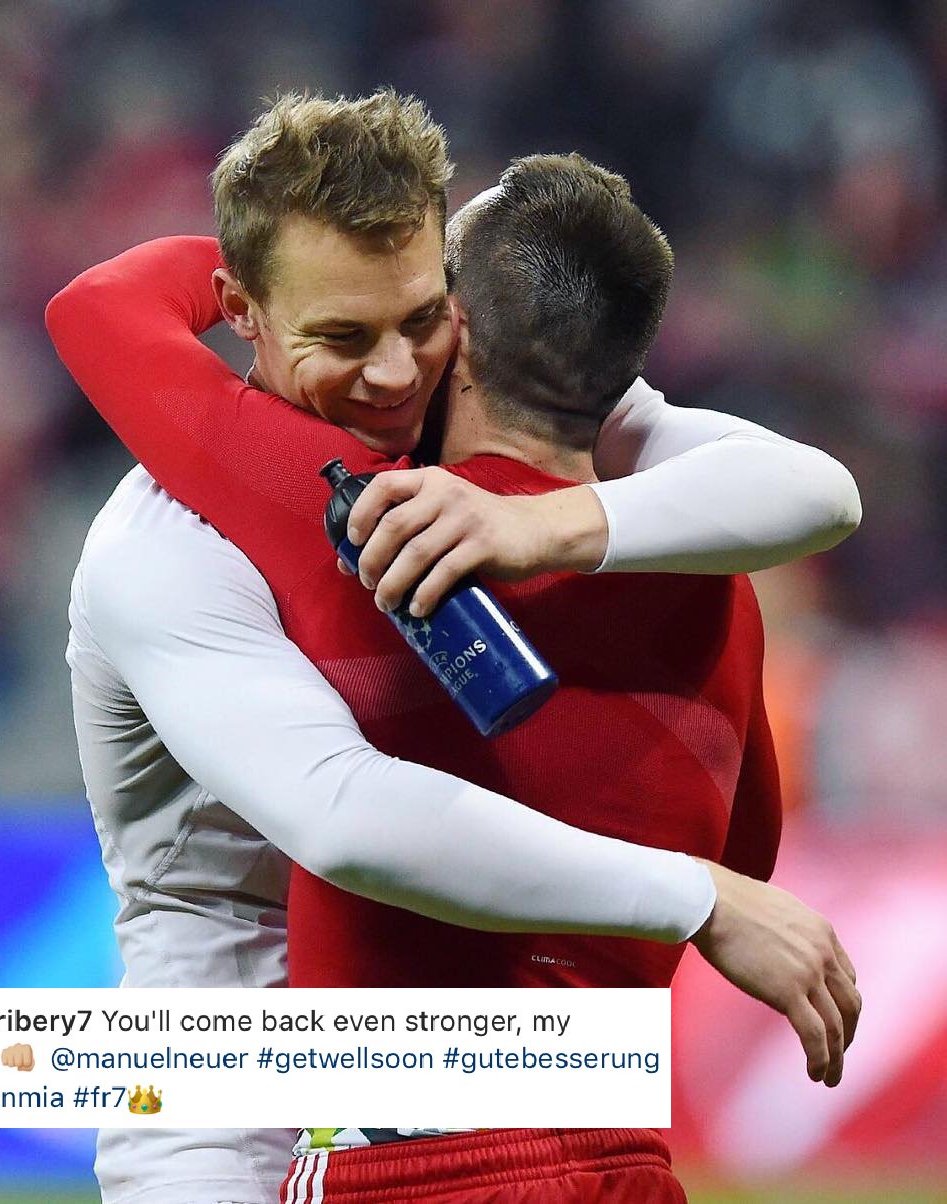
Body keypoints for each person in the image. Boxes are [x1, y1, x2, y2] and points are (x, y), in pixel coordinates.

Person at [47, 92, 860, 1204]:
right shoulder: (170, 539)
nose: (393, 375)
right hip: (220, 1136)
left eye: (420, 318)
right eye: (341, 334)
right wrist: (697, 895)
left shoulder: (472, 490)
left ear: (465, 315)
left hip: (450, 1130)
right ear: (241, 308)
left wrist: (541, 525)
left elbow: (814, 487)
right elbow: (343, 811)